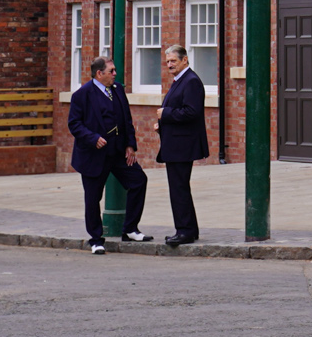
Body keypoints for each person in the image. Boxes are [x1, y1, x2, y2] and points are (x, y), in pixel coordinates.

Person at [67, 55, 150, 253]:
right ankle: (96, 239)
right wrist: (93, 138)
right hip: (93, 155)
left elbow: (127, 119)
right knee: (93, 197)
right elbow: (74, 124)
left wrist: (130, 145)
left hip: (118, 151)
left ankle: (130, 228)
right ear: (99, 73)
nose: (115, 74)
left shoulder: (118, 89)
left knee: (139, 181)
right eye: (111, 71)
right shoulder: (82, 95)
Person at [156, 44, 208, 246]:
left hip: (182, 146)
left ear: (185, 60)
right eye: (167, 61)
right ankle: (190, 229)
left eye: (173, 61)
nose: (169, 65)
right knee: (180, 187)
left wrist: (165, 114)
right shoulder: (180, 81)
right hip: (176, 142)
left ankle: (184, 231)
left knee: (178, 189)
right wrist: (161, 123)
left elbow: (191, 112)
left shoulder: (191, 81)